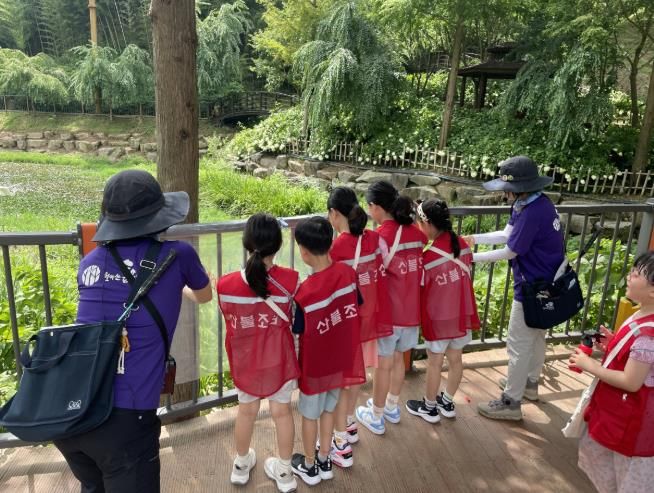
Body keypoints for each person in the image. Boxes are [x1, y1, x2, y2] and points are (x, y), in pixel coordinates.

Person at [53, 169, 212, 493]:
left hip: (72, 410)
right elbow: (204, 295)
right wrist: (178, 287)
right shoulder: (178, 255)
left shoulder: (89, 262)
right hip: (126, 422)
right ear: (158, 218)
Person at [462, 156, 564, 421]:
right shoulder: (535, 203)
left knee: (517, 344)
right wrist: (474, 239)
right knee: (537, 336)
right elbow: (508, 234)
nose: (504, 193)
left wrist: (471, 258)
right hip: (548, 283)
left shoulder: (531, 212)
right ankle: (529, 383)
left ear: (520, 188)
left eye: (506, 188)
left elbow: (510, 250)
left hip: (532, 286)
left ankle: (511, 402)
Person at [216, 213, 300, 492]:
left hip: (246, 362)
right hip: (279, 360)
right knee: (282, 412)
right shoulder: (291, 281)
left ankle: (241, 465)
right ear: (278, 245)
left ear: (246, 243)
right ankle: (285, 472)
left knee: (246, 411)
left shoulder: (225, 285)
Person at [570, 251, 654, 493]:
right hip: (620, 412)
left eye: (636, 274)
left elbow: (631, 381)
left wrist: (591, 366)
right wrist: (613, 345)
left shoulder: (648, 334)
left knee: (627, 475)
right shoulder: (642, 313)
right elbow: (637, 359)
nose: (629, 276)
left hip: (633, 420)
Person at [290, 216, 365, 486]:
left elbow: (298, 328)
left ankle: (310, 465)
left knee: (309, 414)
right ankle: (325, 458)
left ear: (304, 252)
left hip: (315, 366)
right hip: (340, 360)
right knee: (329, 410)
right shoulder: (348, 273)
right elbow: (356, 303)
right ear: (330, 243)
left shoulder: (304, 292)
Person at [327, 187, 393, 466]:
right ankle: (350, 422)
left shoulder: (336, 248)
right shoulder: (374, 238)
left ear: (334, 214)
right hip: (370, 319)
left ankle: (340, 442)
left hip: (346, 322)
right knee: (356, 375)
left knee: (341, 383)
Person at [356, 181, 427, 434]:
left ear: (375, 207)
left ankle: (376, 416)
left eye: (369, 207)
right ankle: (391, 407)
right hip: (411, 311)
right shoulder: (415, 233)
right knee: (398, 361)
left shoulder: (380, 237)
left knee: (382, 365)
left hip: (389, 313)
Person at [406, 199, 480, 423]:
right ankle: (446, 401)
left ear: (428, 224)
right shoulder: (463, 246)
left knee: (434, 363)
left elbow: (420, 289)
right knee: (456, 359)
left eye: (420, 223)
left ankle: (429, 407)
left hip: (438, 318)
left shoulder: (428, 257)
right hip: (460, 314)